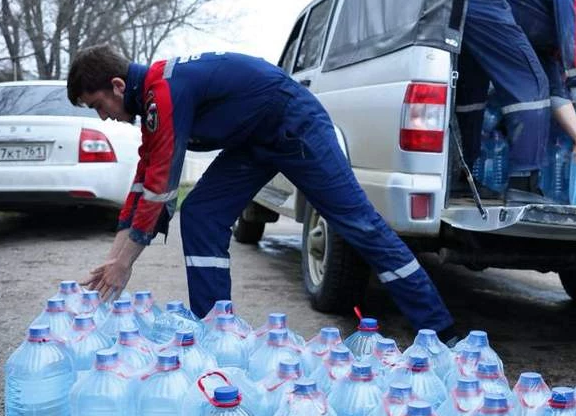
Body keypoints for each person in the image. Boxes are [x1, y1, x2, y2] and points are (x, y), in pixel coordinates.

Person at [66, 46, 456, 339]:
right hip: (254, 140)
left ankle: (440, 330)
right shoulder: (152, 97)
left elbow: (161, 185)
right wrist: (114, 260)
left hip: (295, 125)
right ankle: (217, 331)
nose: (103, 116)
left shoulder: (163, 89)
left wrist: (126, 262)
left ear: (118, 86)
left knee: (358, 224)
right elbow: (143, 182)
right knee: (201, 214)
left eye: (98, 105)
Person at [454, 0, 576, 202]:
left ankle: (462, 176)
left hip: (470, 2)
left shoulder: (548, 30)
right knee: (532, 86)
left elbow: (556, 92)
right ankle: (524, 184)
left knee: (472, 96)